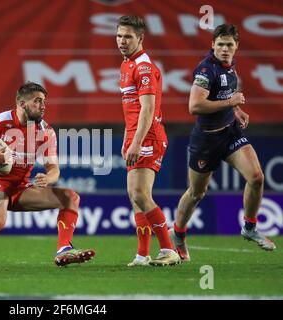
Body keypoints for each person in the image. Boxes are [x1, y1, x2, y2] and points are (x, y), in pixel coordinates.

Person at [0, 82, 95, 267]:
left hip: (21, 188)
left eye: (44, 102)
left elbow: (54, 169)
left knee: (70, 197)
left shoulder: (45, 132)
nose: (43, 106)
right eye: (37, 101)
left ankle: (63, 250)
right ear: (22, 103)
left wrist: (48, 178)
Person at [169, 24, 276, 261]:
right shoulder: (206, 70)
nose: (225, 49)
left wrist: (235, 109)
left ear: (236, 46)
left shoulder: (230, 66)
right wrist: (230, 103)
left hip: (230, 132)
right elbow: (194, 106)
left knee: (257, 178)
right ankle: (178, 233)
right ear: (212, 45)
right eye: (220, 44)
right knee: (197, 193)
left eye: (229, 44)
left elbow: (224, 94)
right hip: (206, 140)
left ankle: (249, 227)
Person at [117, 16, 180, 267]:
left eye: (128, 37)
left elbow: (148, 108)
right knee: (135, 198)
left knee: (141, 195)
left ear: (140, 39)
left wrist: (136, 142)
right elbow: (130, 109)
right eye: (119, 35)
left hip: (149, 137)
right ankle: (142, 255)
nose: (122, 41)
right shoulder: (126, 65)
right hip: (137, 136)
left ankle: (168, 249)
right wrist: (127, 137)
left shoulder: (143, 67)